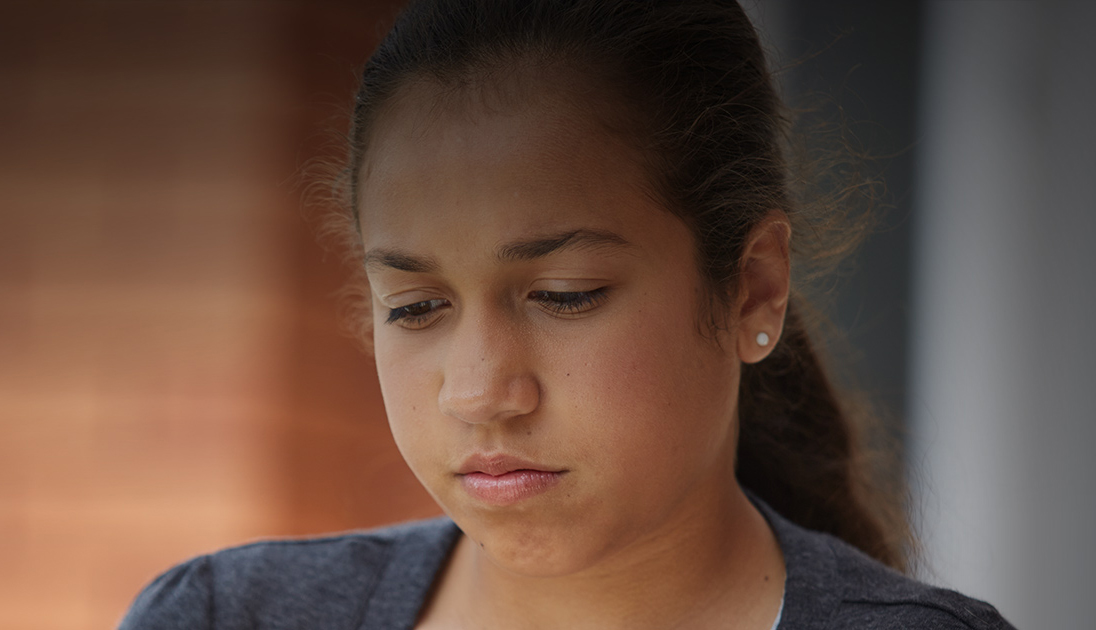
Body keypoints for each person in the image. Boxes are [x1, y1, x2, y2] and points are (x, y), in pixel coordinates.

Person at [120, 1, 1014, 628]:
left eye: (563, 296)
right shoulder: (223, 618)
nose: (478, 393)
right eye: (417, 306)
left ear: (752, 290)